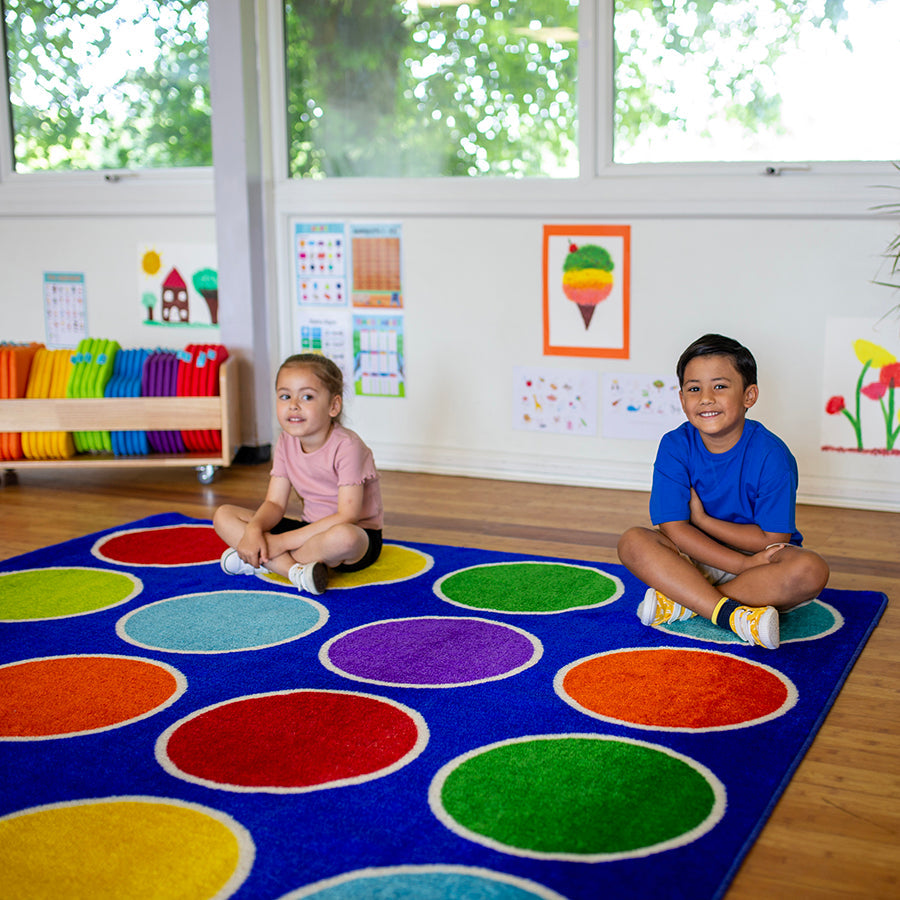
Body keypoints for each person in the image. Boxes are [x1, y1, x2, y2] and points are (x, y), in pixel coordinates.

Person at [617, 334, 829, 649]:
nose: (705, 398)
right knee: (633, 541)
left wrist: (705, 523)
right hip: (693, 558)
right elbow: (672, 528)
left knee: (811, 571)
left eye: (719, 386)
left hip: (758, 565)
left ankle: (687, 603)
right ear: (681, 398)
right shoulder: (675, 446)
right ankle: (731, 615)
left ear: (749, 395)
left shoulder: (773, 456)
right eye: (694, 389)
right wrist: (720, 550)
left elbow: (772, 541)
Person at [213, 353, 383, 595]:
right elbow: (274, 503)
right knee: (224, 515)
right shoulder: (285, 441)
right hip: (307, 530)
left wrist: (279, 542)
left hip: (356, 536)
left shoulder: (348, 446)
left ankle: (263, 561)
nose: (293, 404)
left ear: (333, 406)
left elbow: (348, 515)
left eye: (307, 396)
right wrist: (253, 531)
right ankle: (295, 571)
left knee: (344, 537)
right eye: (285, 396)